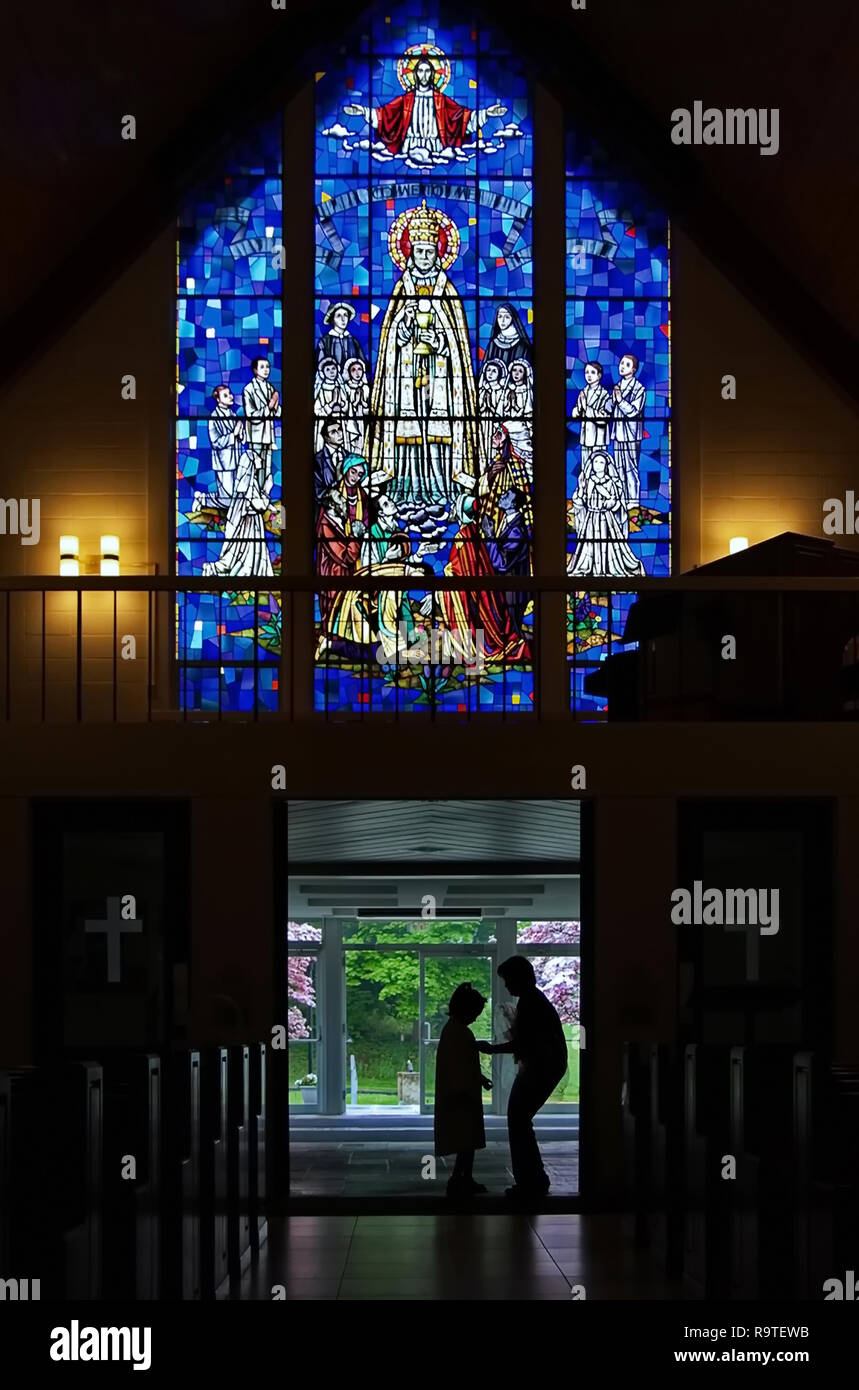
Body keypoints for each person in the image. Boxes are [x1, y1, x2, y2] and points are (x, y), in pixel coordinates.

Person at [368, 200, 479, 510]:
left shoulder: (448, 291)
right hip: (405, 371)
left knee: (438, 425)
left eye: (431, 252)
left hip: (441, 374)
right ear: (410, 252)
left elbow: (457, 342)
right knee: (408, 426)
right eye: (420, 251)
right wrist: (403, 332)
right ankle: (406, 489)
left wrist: (441, 341)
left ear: (439, 254)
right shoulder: (401, 289)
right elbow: (390, 336)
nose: (425, 257)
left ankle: (441, 489)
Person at [477, 956, 567, 1201]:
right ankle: (534, 1178)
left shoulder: (530, 1003)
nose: (506, 986)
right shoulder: (534, 1000)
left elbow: (523, 1043)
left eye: (508, 980)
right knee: (521, 1120)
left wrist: (490, 1048)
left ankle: (530, 1181)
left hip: (540, 1068)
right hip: (547, 1066)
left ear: (518, 978)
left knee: (518, 1120)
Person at [344, 49, 506, 160]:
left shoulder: (441, 101)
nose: (423, 75)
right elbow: (384, 115)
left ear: (433, 74)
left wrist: (487, 114)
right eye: (420, 71)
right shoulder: (405, 100)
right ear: (414, 74)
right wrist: (363, 111)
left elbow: (463, 118)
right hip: (409, 147)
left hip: (437, 148)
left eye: (427, 71)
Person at [434, 982, 493, 1198]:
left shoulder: (453, 1031)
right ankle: (461, 1178)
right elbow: (460, 1065)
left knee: (465, 1141)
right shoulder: (460, 1033)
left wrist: (479, 1079)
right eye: (475, 1013)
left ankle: (461, 1178)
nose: (476, 1018)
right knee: (467, 1141)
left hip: (460, 1093)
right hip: (462, 1095)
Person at [567, 450, 645, 578]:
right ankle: (593, 567)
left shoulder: (610, 482)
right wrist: (579, 498)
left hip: (606, 518)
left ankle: (607, 567)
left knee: (609, 543)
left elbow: (614, 502)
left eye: (601, 462)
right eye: (595, 462)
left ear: (606, 465)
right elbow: (580, 498)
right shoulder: (587, 481)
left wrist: (608, 499)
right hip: (591, 518)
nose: (598, 465)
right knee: (589, 544)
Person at [193, 384, 244, 512]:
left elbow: (240, 438)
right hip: (223, 463)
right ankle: (203, 498)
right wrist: (234, 434)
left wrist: (242, 433)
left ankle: (203, 498)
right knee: (227, 501)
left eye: (230, 394)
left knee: (235, 498)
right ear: (218, 399)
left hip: (236, 460)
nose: (230, 397)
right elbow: (216, 442)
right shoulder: (214, 418)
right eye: (225, 395)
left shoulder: (233, 414)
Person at [610, 353, 646, 506]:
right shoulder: (618, 386)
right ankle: (621, 498)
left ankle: (632, 500)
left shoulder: (639, 389)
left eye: (627, 364)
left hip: (631, 434)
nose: (622, 366)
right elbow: (611, 407)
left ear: (634, 369)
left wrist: (619, 400)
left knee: (631, 467)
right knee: (618, 467)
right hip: (618, 432)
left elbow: (633, 411)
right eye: (621, 363)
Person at [242, 356, 280, 501]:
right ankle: (253, 497)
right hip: (256, 435)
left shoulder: (270, 388)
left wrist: (276, 407)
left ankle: (264, 497)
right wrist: (268, 407)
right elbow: (251, 415)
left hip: (268, 435)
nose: (266, 370)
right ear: (255, 370)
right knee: (256, 467)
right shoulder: (249, 389)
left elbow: (276, 412)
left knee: (267, 468)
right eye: (262, 367)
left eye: (268, 367)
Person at [571, 361, 612, 467]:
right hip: (585, 436)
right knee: (586, 465)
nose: (589, 375)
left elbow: (603, 418)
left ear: (599, 375)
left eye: (592, 372)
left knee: (599, 465)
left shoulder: (604, 395)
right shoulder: (583, 392)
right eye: (586, 372)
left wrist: (586, 408)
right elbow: (575, 413)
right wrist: (579, 409)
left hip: (598, 437)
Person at [316, 302, 366, 371]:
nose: (343, 319)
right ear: (332, 319)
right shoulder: (325, 341)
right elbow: (319, 365)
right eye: (338, 316)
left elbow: (362, 363)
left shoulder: (353, 341)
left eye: (345, 315)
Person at [484, 302, 532, 369]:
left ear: (513, 319)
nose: (502, 320)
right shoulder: (493, 344)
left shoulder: (522, 345)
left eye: (507, 317)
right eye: (500, 316)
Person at [313, 357, 346, 451]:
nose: (331, 372)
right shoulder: (321, 391)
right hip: (325, 425)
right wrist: (332, 403)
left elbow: (347, 408)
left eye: (333, 369)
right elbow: (317, 412)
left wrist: (342, 406)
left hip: (341, 423)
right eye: (327, 369)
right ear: (322, 373)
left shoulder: (341, 389)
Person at [314, 417, 347, 501]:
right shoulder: (318, 459)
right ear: (326, 438)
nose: (339, 434)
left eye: (339, 429)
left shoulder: (349, 456)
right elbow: (318, 491)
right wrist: (338, 480)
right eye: (333, 432)